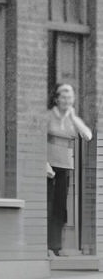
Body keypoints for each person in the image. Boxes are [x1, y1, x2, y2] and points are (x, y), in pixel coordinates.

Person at [46, 82, 93, 257]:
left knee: (60, 207)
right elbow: (38, 138)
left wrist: (73, 118)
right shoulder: (48, 116)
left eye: (70, 97)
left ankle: (56, 246)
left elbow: (88, 136)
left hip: (65, 166)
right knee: (48, 205)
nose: (67, 100)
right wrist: (44, 163)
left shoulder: (72, 119)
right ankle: (46, 246)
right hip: (49, 167)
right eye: (64, 97)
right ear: (56, 99)